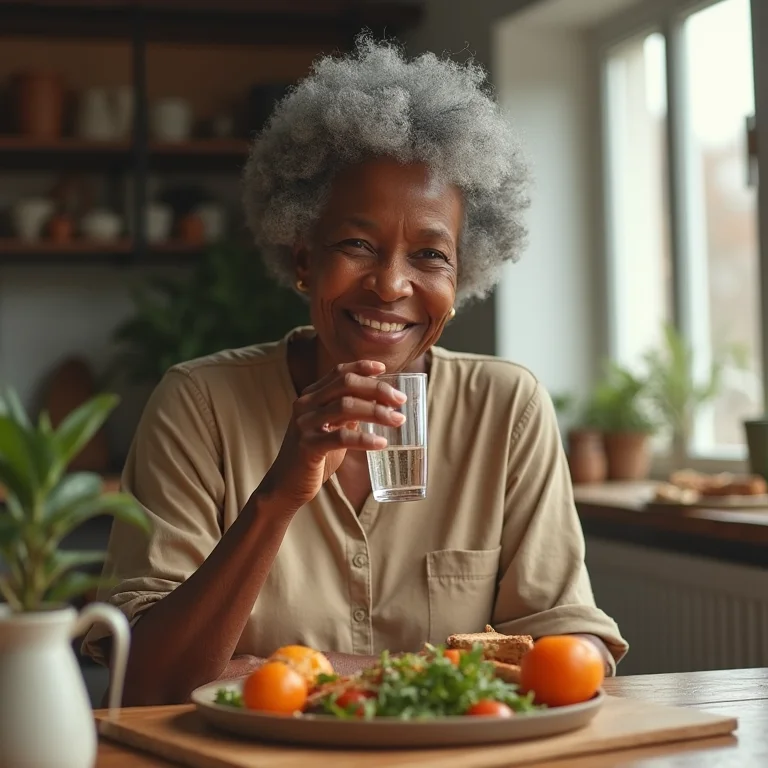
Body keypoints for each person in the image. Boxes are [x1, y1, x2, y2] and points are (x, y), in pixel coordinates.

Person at [82, 36, 627, 706]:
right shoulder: (198, 405)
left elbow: (575, 655)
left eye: (431, 256)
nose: (391, 284)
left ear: (462, 278)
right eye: (356, 245)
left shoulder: (507, 408)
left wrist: (305, 672)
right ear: (303, 255)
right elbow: (145, 685)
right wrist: (278, 497)